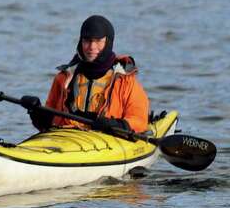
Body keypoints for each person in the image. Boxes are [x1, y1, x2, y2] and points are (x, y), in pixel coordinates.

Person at [22, 15, 150, 135]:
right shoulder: (64, 78)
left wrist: (115, 125)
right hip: (66, 138)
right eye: (87, 41)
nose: (91, 47)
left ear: (108, 42)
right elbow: (47, 124)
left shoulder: (126, 81)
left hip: (107, 141)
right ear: (80, 42)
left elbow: (140, 122)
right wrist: (36, 111)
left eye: (98, 41)